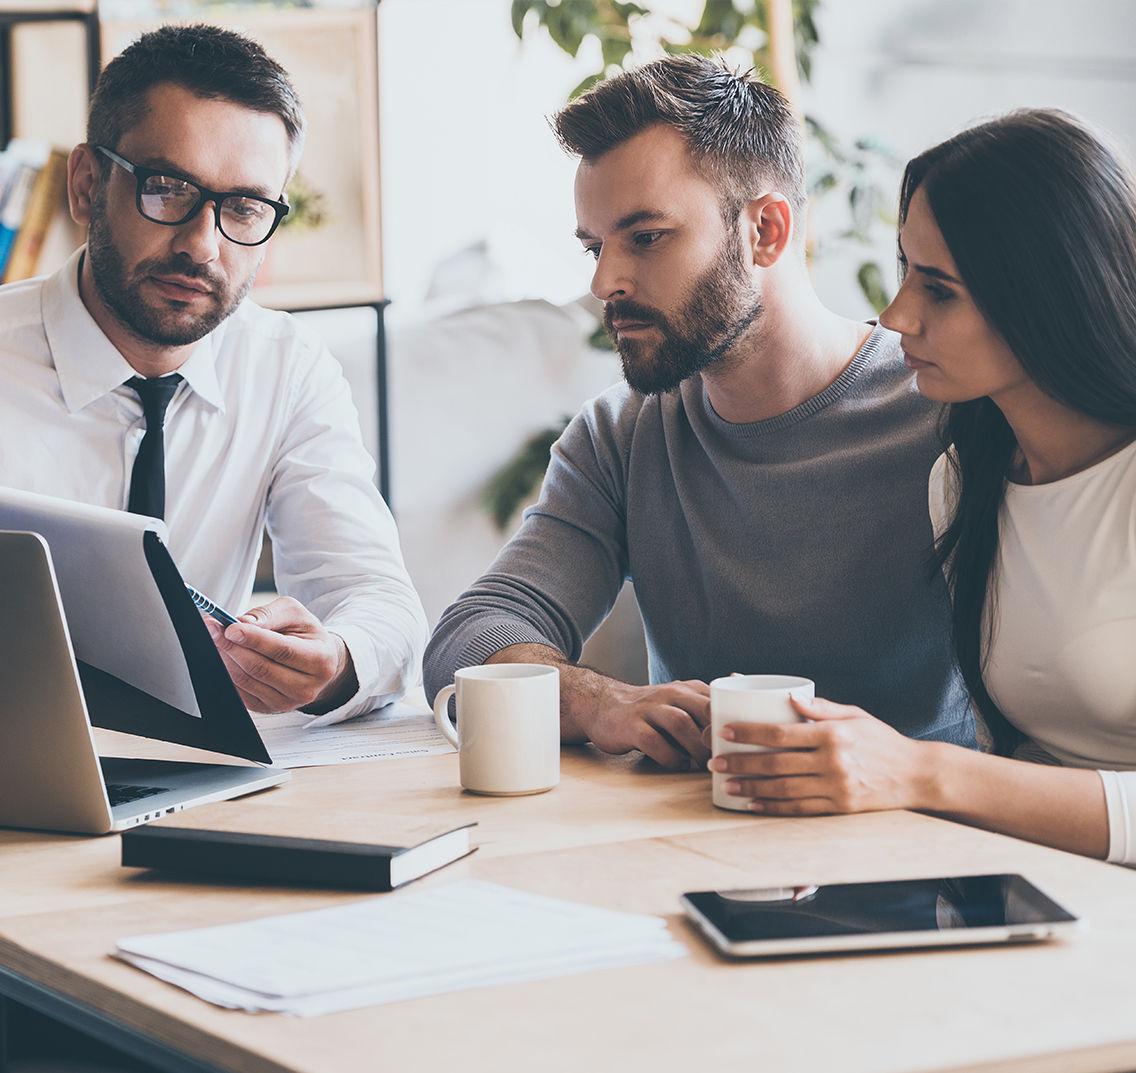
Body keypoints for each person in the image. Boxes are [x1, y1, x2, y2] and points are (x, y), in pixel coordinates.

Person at [424, 55, 973, 768]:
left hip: (918, 868)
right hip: (684, 861)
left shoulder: (942, 413)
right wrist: (596, 699)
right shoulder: (621, 435)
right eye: (595, 246)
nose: (604, 282)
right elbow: (470, 636)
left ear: (766, 231)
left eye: (646, 237)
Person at [710, 109, 1136, 865]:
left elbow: (961, 769)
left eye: (939, 290)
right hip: (1024, 881)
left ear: (1049, 295)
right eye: (906, 269)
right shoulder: (963, 480)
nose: (898, 313)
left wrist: (920, 771)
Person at [0, 25, 427, 719]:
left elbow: (382, 603)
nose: (203, 244)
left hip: (201, 782)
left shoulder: (286, 367)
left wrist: (336, 659)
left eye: (245, 208)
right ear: (85, 185)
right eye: (167, 189)